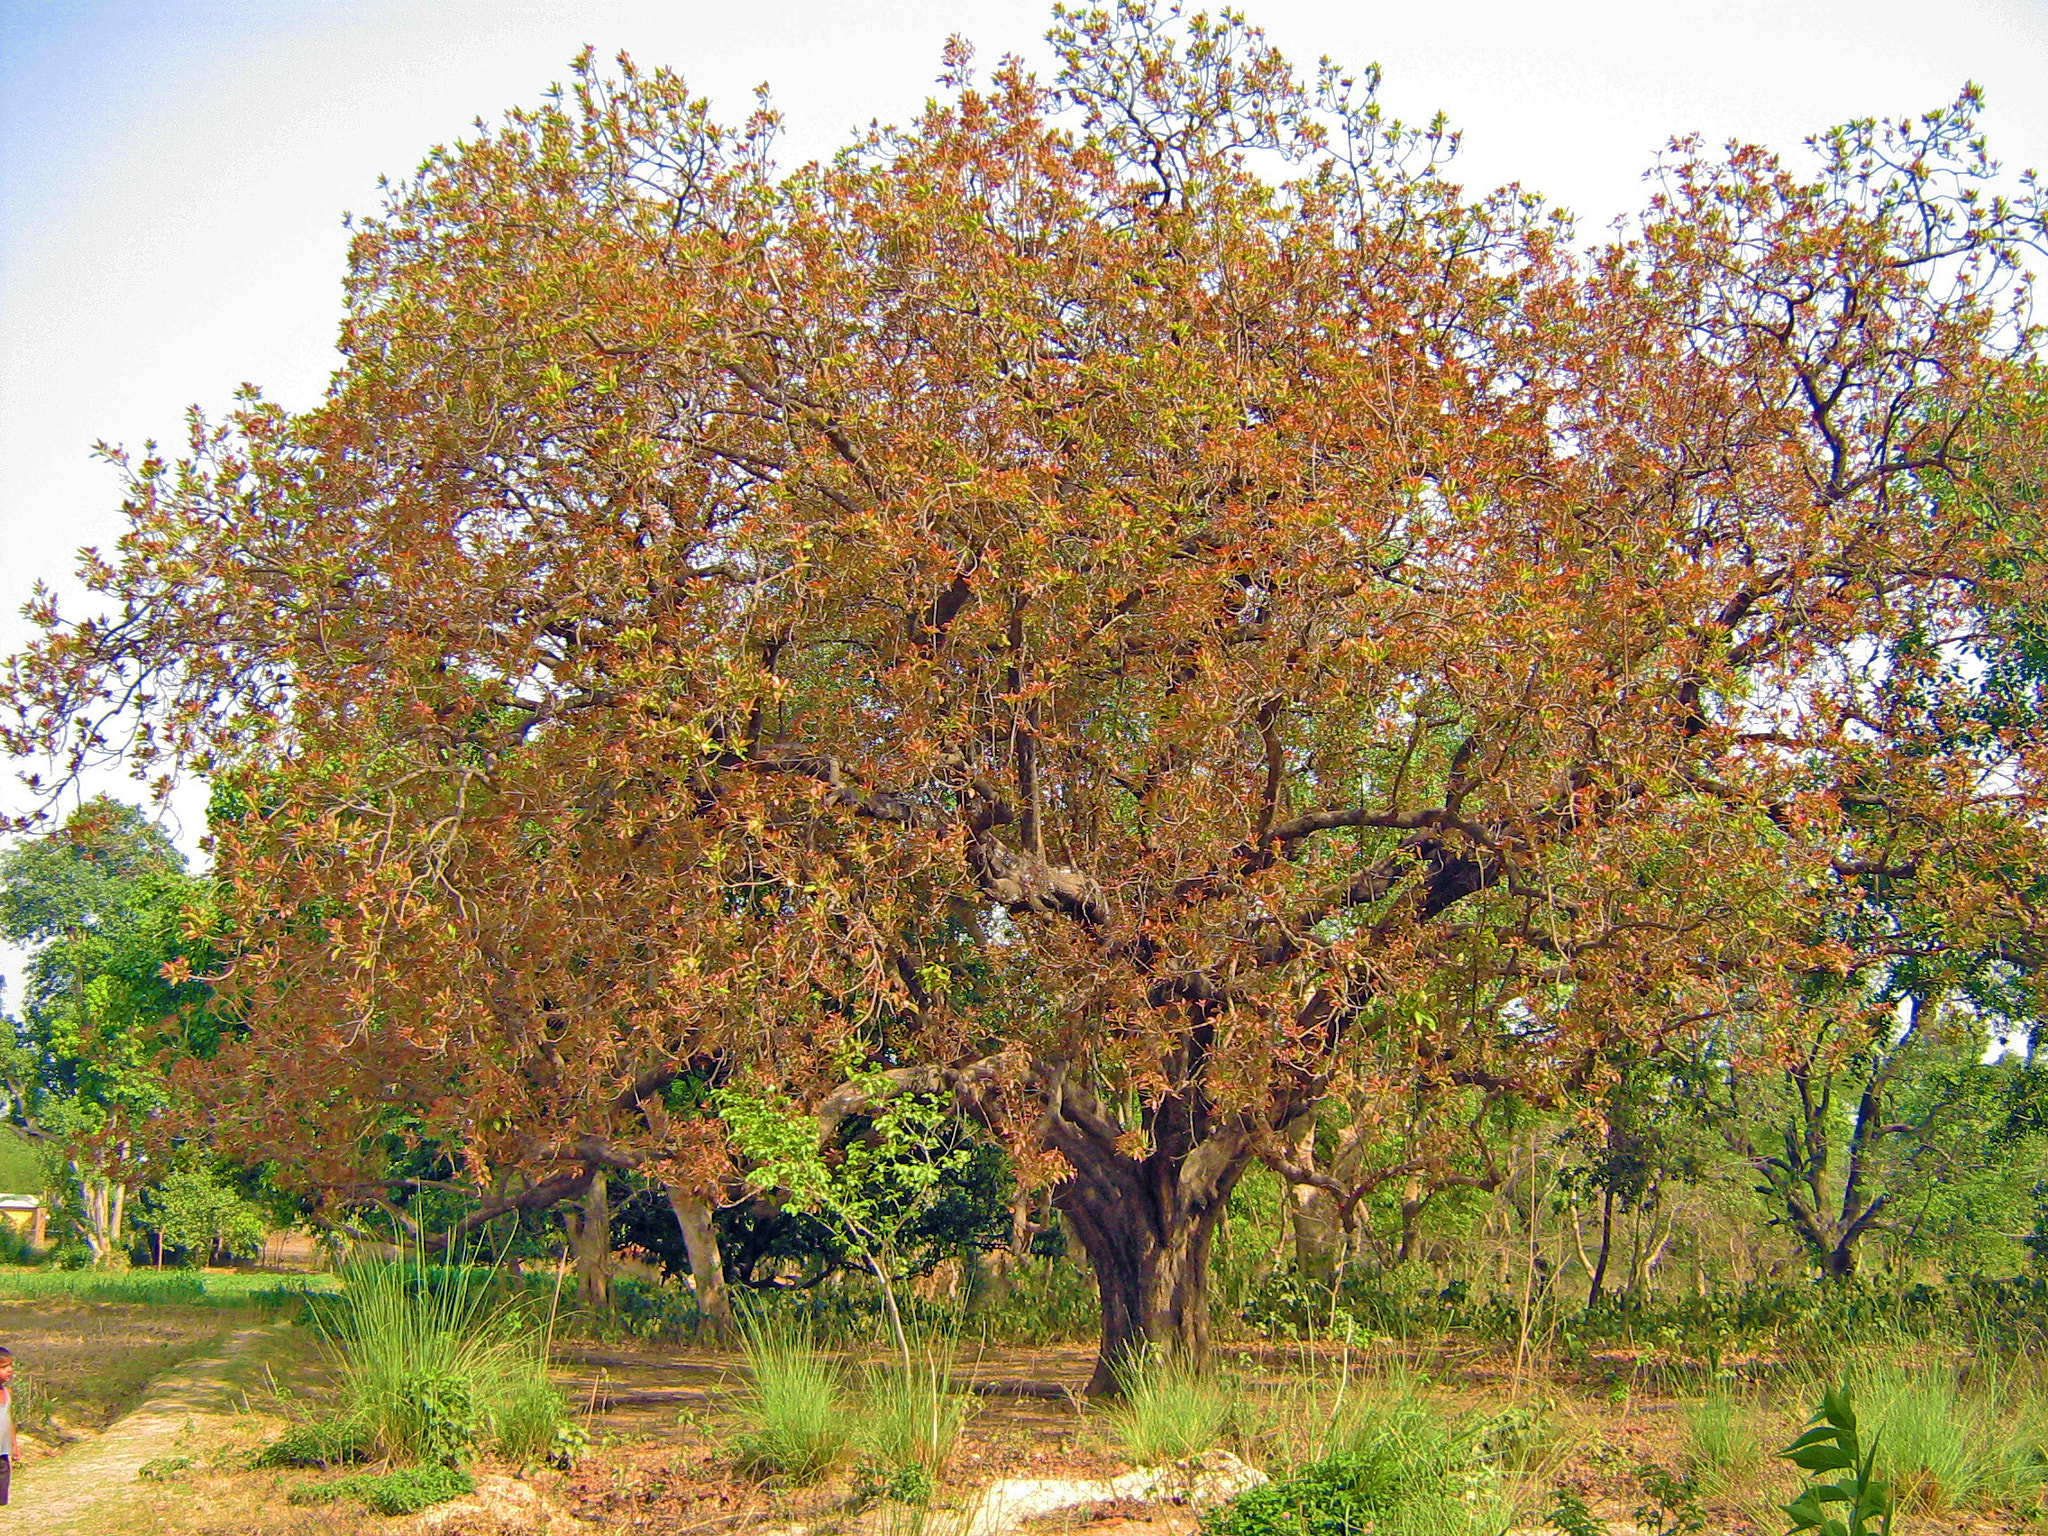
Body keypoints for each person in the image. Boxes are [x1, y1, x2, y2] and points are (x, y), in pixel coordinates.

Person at [0, 1344, 14, 1506]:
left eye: (10, 1365)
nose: (9, 1369)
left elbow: (9, 1420)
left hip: (3, 1453)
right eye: (4, 1367)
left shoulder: (7, 1393)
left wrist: (14, 1446)